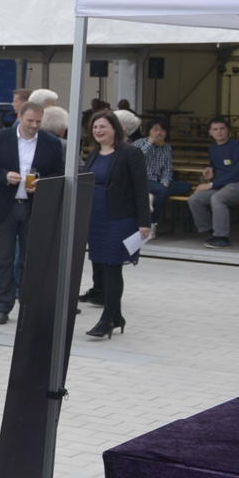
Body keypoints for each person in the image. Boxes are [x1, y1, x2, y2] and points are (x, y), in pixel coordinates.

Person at [0, 101, 66, 326]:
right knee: (4, 260)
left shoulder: (51, 142)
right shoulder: (0, 138)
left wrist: (42, 183)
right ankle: (3, 305)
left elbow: (58, 173)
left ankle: (28, 304)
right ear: (19, 116)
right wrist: (4, 175)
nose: (35, 125)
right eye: (30, 121)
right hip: (5, 206)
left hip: (33, 207)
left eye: (38, 121)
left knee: (30, 259)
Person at [80, 110, 151, 339]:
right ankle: (118, 316)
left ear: (115, 129)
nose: (98, 131)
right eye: (95, 127)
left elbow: (141, 188)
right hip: (96, 219)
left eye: (103, 127)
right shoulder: (93, 154)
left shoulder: (130, 153)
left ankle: (108, 319)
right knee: (101, 266)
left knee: (112, 268)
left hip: (120, 219)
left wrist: (144, 222)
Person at [187, 116, 239, 248]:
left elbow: (236, 173)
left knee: (218, 198)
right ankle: (210, 231)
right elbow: (216, 165)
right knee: (194, 199)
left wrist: (210, 185)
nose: (219, 132)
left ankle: (222, 237)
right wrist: (210, 168)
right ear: (210, 132)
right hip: (222, 186)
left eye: (222, 129)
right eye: (215, 129)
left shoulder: (237, 147)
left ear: (228, 131)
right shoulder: (213, 148)